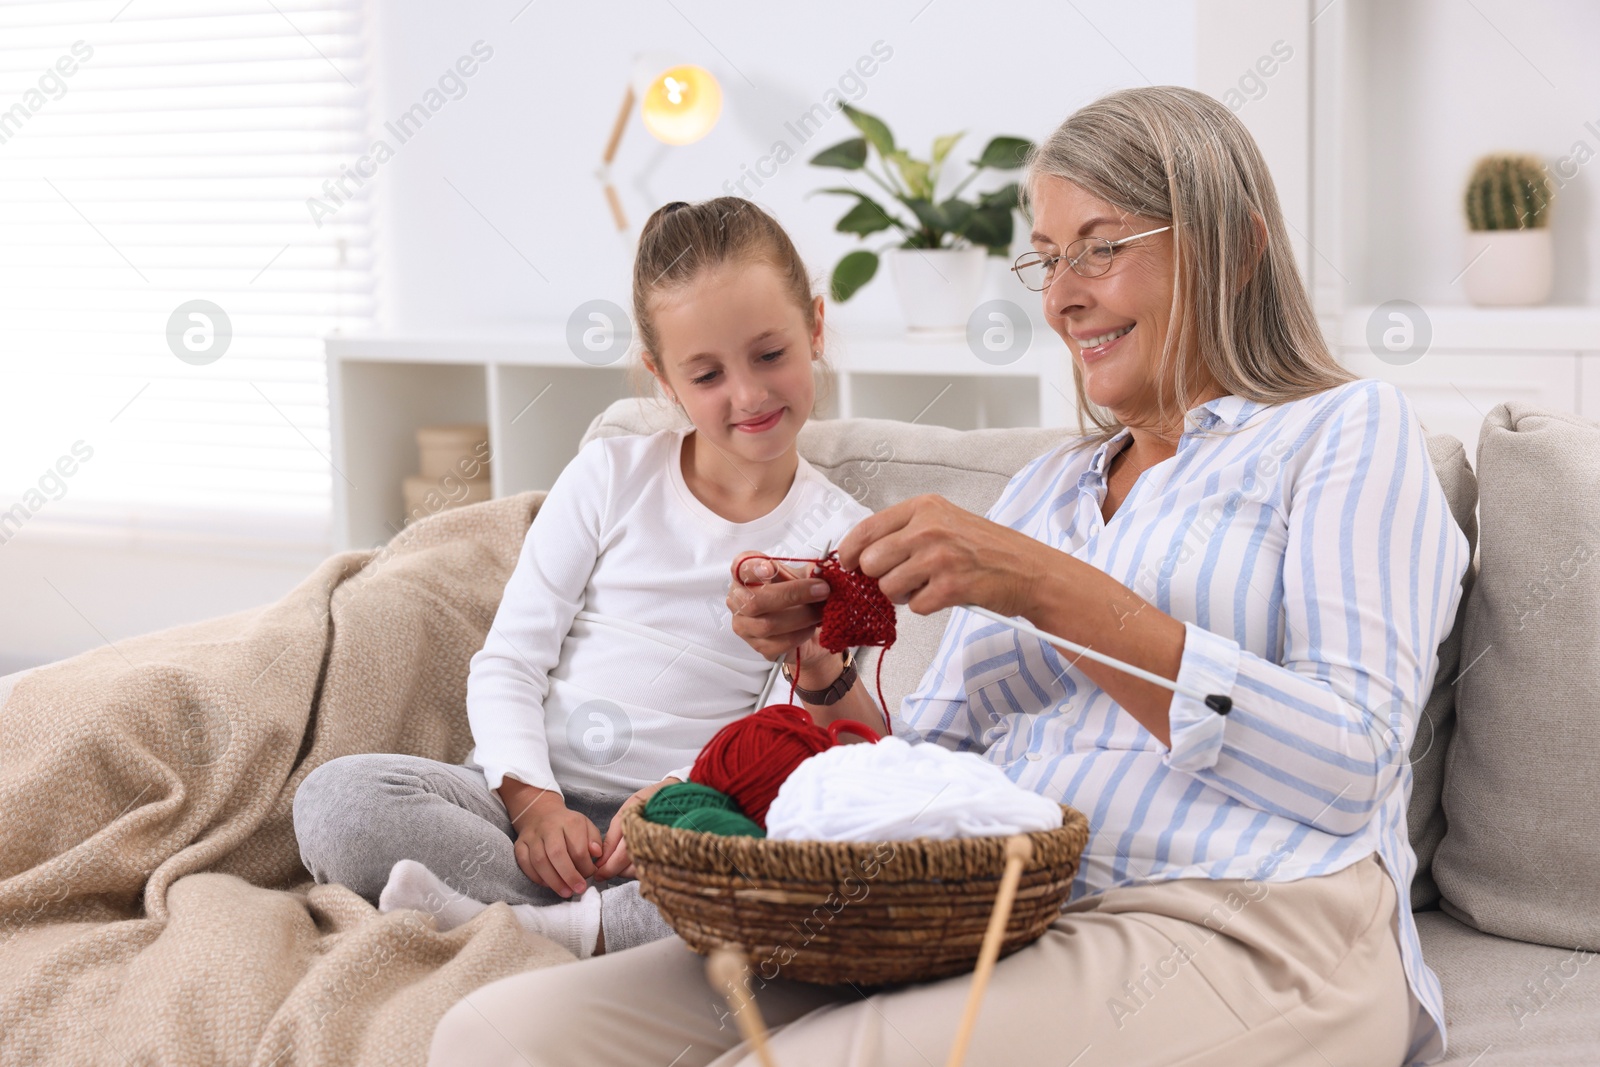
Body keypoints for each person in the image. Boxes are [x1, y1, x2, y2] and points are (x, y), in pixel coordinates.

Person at [427, 85, 1469, 1067]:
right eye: (1048, 259)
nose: (1063, 297)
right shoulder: (1049, 488)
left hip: (1247, 915)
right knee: (495, 1037)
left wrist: (1045, 587)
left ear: (1234, 246)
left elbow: (1351, 766)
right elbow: (933, 776)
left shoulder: (1340, 434)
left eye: (1101, 250)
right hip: (990, 904)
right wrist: (826, 676)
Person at [292, 197, 880, 961]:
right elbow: (510, 659)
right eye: (706, 373)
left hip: (687, 814)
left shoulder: (845, 537)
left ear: (816, 327)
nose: (749, 395)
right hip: (522, 800)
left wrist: (671, 801)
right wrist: (534, 803)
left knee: (797, 870)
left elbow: (783, 728)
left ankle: (538, 922)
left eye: (771, 355)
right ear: (663, 377)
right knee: (336, 800)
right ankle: (587, 923)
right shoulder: (610, 476)